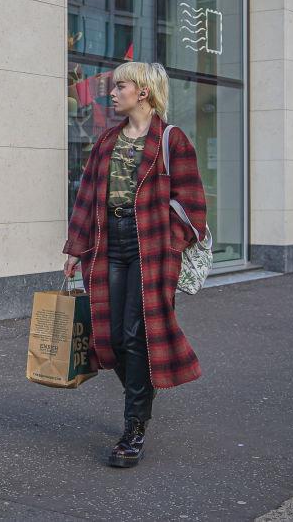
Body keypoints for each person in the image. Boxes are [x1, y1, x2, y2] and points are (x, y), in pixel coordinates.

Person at [62, 61, 207, 468]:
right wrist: (75, 248)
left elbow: (194, 203)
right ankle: (142, 396)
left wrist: (171, 242)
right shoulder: (107, 140)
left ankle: (134, 428)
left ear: (143, 92)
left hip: (152, 248)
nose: (112, 92)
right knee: (109, 336)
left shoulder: (171, 139)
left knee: (132, 334)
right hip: (109, 244)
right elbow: (87, 198)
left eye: (119, 86)